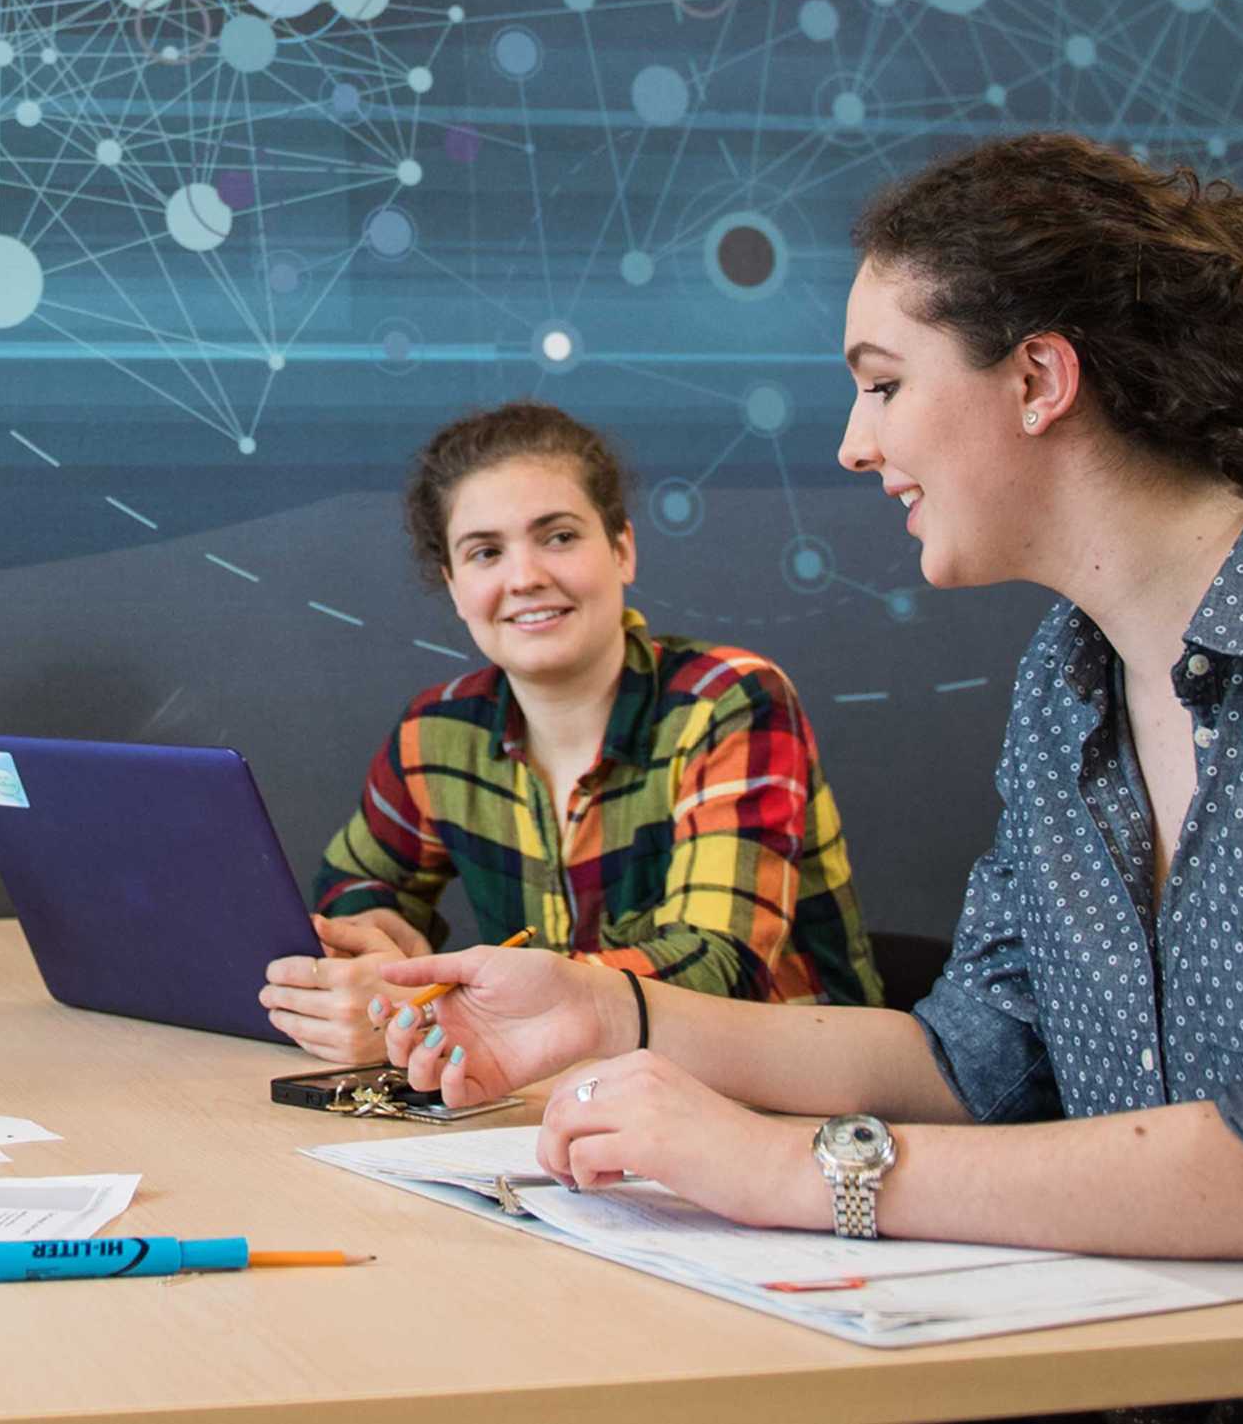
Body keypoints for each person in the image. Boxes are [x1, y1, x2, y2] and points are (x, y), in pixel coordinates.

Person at [374, 134, 1243, 1420]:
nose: (847, 441)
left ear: (1038, 377)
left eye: (880, 384)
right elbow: (979, 1052)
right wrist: (606, 1012)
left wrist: (793, 1168)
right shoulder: (1071, 677)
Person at [258, 401, 882, 1064]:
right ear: (453, 584)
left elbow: (718, 967)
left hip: (792, 1098)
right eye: (485, 552)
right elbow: (349, 887)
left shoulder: (727, 700)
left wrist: (429, 1009)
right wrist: (378, 943)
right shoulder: (435, 732)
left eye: (557, 536)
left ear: (622, 549)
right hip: (566, 1095)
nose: (524, 577)